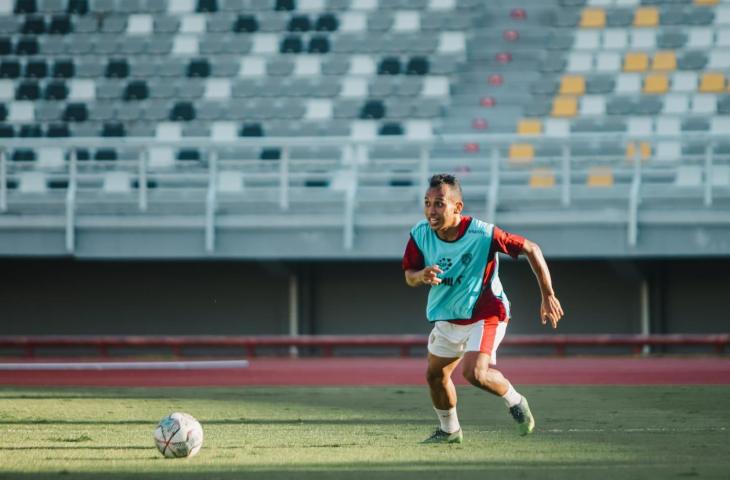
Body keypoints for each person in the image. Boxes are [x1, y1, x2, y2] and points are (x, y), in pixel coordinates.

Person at [402, 173, 564, 443]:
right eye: (427, 203)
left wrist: (548, 294)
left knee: (473, 373)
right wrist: (421, 276)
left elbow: (531, 248)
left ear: (457, 207)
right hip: (448, 315)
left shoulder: (483, 234)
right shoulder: (419, 234)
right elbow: (410, 275)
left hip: (486, 313)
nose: (431, 210)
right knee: (435, 375)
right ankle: (450, 431)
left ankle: (515, 401)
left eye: (439, 203)